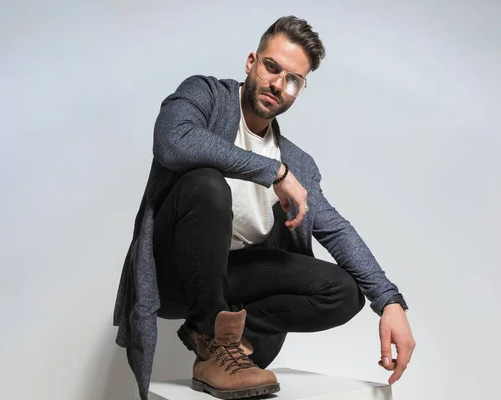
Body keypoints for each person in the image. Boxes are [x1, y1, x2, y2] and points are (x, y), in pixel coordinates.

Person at [113, 15, 416, 400]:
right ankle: (211, 332)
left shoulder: (298, 163)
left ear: (300, 89)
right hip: (174, 275)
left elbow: (336, 229)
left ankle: (225, 346)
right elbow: (174, 141)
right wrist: (273, 172)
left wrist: (390, 302)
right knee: (207, 184)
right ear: (251, 61)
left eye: (293, 80)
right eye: (272, 67)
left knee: (344, 290)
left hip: (230, 278)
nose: (278, 84)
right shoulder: (205, 96)